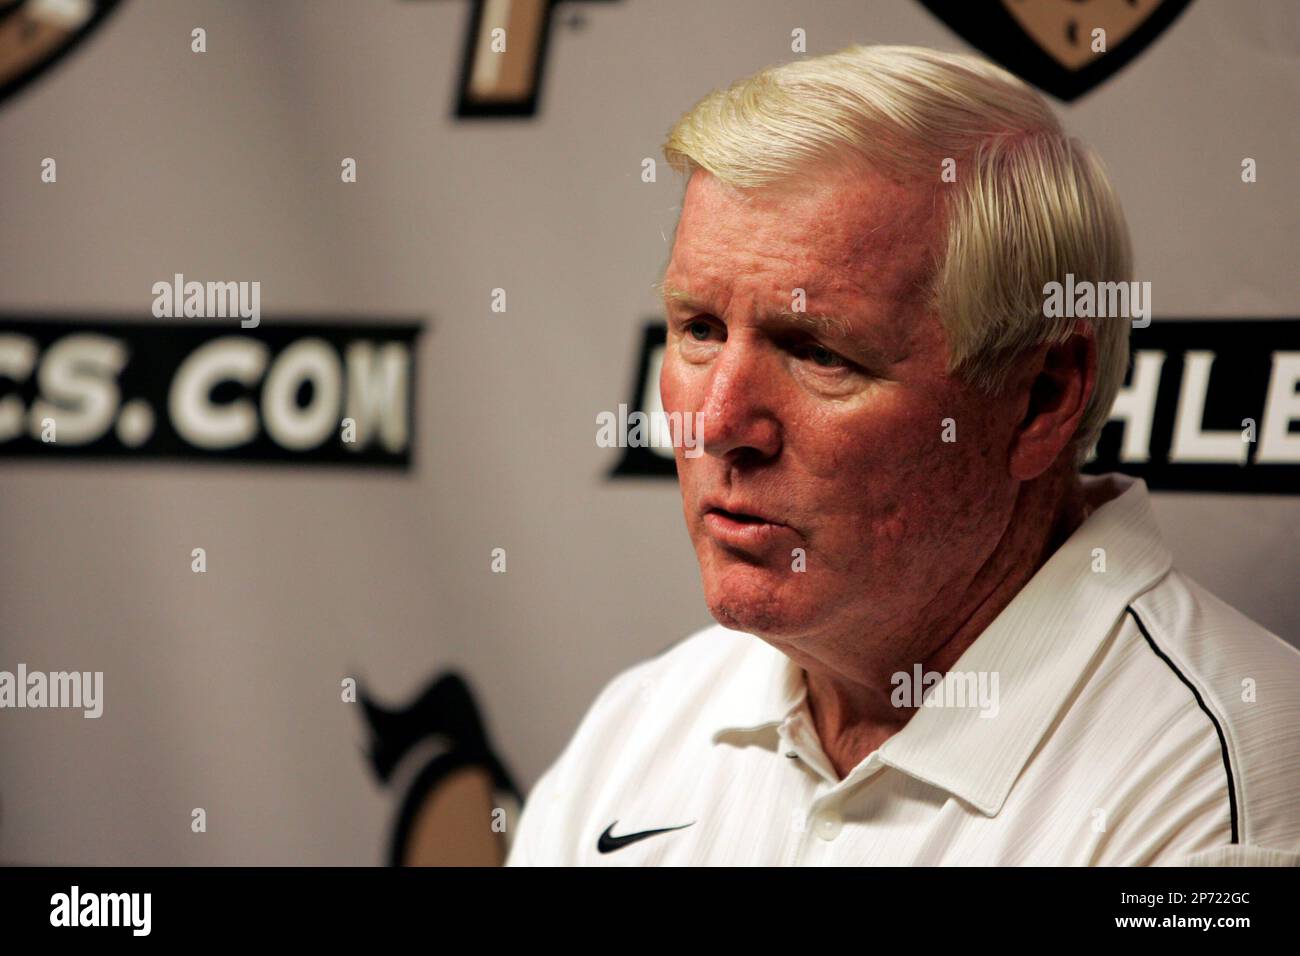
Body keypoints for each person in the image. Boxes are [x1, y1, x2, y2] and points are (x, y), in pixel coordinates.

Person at [506, 45, 1300, 866]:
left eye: (817, 351)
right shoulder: (637, 730)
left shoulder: (1221, 795)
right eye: (700, 330)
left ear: (1041, 399)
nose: (715, 423)